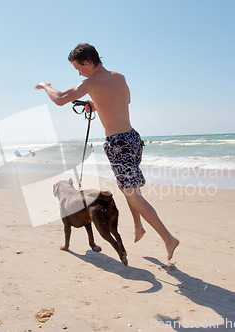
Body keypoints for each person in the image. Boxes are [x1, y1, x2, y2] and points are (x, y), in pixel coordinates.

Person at [35, 43, 179, 260]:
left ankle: (168, 238)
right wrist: (97, 103)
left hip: (118, 143)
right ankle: (138, 226)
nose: (79, 72)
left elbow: (60, 99)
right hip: (133, 138)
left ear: (87, 62)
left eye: (78, 68)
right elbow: (124, 100)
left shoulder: (90, 82)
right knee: (127, 188)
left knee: (133, 194)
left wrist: (46, 86)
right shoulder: (119, 77)